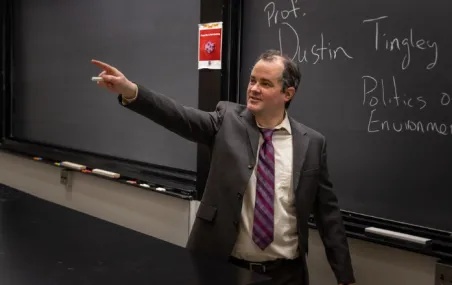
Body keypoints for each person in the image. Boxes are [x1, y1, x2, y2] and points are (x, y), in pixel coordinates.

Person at [91, 49, 355, 285]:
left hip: (286, 275)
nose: (253, 89)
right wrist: (131, 91)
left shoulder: (312, 144)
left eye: (265, 83)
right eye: (252, 80)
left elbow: (328, 216)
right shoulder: (226, 120)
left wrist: (345, 278)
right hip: (223, 268)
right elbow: (178, 115)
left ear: (287, 93)